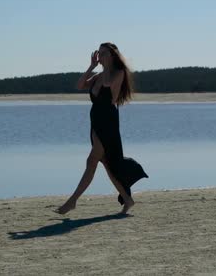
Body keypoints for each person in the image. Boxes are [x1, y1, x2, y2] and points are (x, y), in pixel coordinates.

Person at [54, 42, 148, 215]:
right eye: (99, 53)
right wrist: (91, 66)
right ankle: (127, 200)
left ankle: (72, 201)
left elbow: (108, 87)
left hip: (108, 122)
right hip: (96, 121)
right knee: (106, 163)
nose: (100, 56)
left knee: (92, 160)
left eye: (104, 53)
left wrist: (105, 67)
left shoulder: (118, 73)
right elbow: (80, 85)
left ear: (112, 56)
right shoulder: (97, 76)